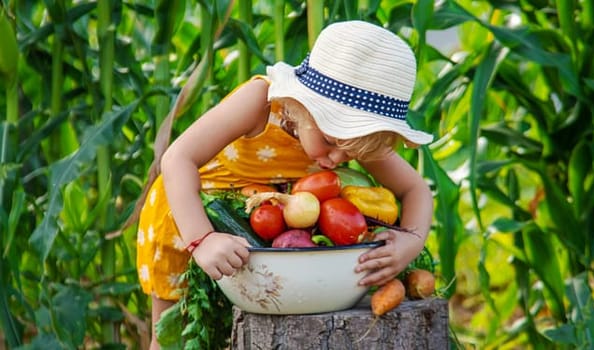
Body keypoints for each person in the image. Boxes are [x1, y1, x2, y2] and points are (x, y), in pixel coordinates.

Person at [135, 21, 435, 348]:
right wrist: (202, 238)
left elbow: (415, 189)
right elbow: (177, 159)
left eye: (351, 151)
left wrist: (411, 242)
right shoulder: (259, 102)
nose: (337, 158)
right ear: (305, 105)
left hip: (257, 228)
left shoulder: (349, 139)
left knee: (230, 335)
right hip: (186, 217)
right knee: (173, 336)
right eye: (331, 141)